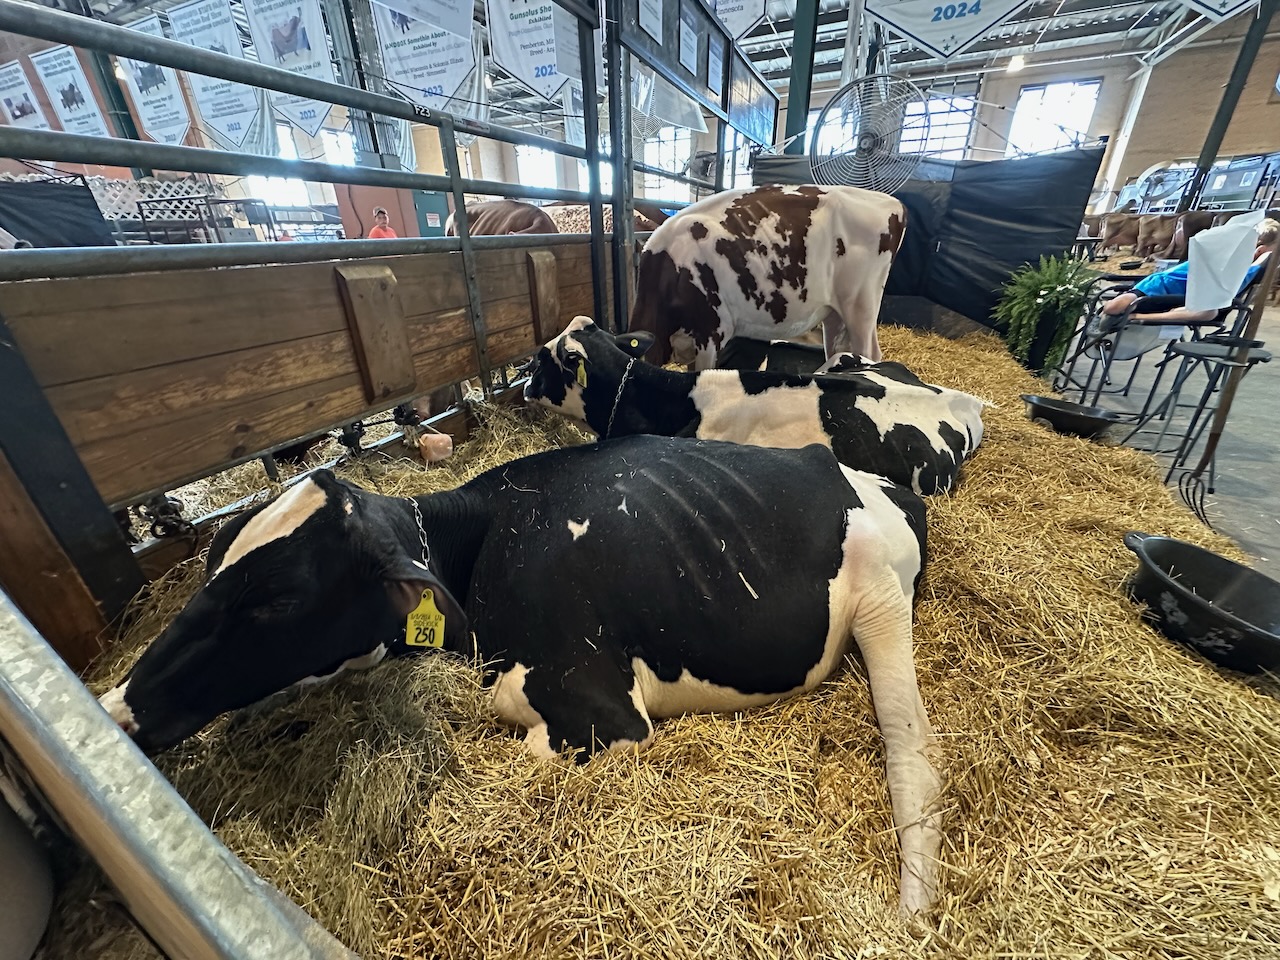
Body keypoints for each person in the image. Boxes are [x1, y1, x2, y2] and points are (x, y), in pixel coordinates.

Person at [1103, 225, 1272, 324]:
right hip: (1157, 287)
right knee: (1112, 307)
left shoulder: (1246, 270)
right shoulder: (1216, 257)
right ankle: (1129, 311)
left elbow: (1267, 256)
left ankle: (1137, 316)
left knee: (1208, 312)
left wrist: (1264, 253)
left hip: (1187, 300)